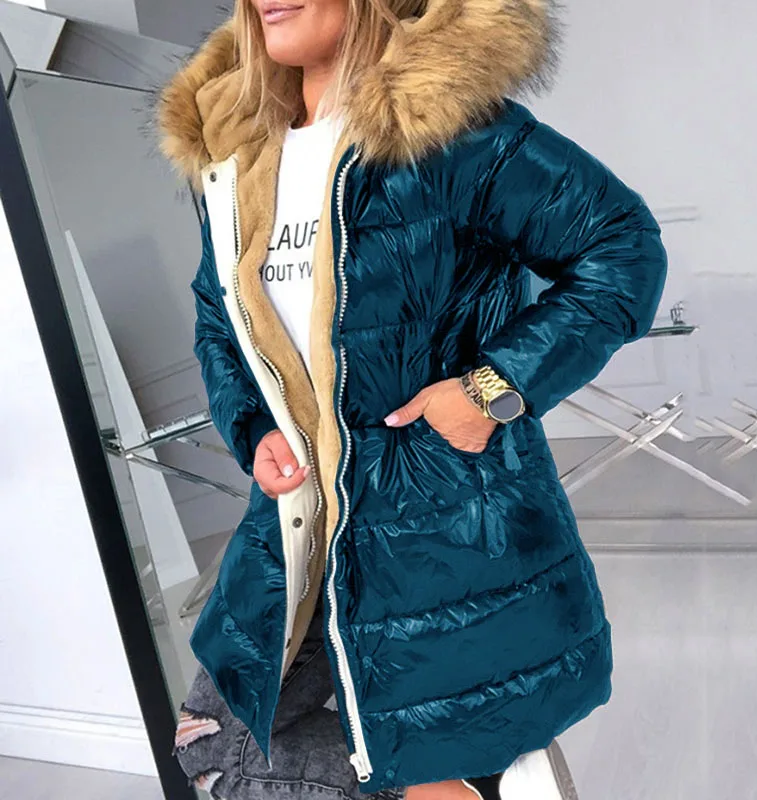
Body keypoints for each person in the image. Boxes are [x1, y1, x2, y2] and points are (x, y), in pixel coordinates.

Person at [156, 0, 668, 797]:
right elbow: (219, 315)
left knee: (392, 744)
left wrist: (489, 391)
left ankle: (454, 783)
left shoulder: (448, 130)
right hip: (300, 526)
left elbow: (622, 250)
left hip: (438, 532)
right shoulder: (238, 153)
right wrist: (253, 426)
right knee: (212, 742)